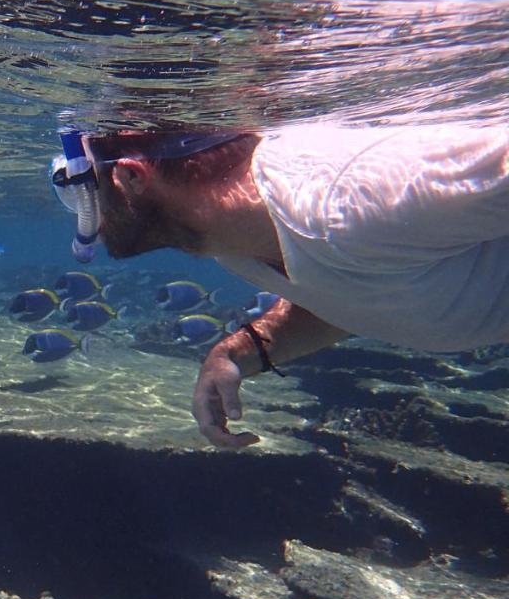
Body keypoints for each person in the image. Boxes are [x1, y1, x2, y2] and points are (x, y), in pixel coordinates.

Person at [54, 124, 509, 448]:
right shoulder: (229, 243)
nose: (81, 212)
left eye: (82, 189)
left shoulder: (346, 195)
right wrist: (239, 352)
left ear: (131, 176)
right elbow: (349, 287)